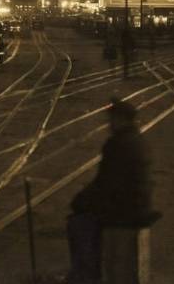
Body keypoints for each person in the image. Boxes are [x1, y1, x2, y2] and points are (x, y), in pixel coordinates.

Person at [69, 99, 160, 284]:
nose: (109, 123)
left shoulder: (118, 144)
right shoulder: (136, 140)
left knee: (82, 228)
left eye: (111, 119)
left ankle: (87, 277)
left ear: (120, 119)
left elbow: (106, 183)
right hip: (136, 209)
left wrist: (80, 202)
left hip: (123, 214)